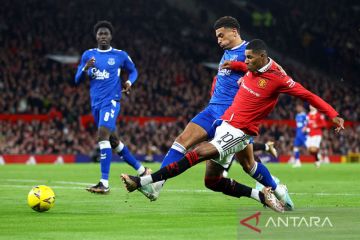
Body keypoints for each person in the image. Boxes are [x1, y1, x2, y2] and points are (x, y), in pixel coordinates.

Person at [121, 39, 344, 211]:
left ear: (263, 57)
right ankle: (262, 195)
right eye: (244, 59)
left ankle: (143, 181)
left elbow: (308, 95)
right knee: (213, 181)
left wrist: (333, 114)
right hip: (225, 125)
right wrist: (235, 64)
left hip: (241, 132)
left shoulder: (278, 79)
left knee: (197, 153)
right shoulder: (250, 68)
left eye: (249, 59)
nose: (245, 62)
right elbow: (244, 66)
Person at [138, 16, 278, 201]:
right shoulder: (226, 53)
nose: (219, 41)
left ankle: (277, 190)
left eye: (221, 36)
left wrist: (246, 75)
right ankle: (157, 185)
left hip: (232, 116)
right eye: (217, 37)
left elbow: (267, 73)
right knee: (182, 140)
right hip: (212, 109)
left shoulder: (249, 52)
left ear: (234, 32)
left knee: (248, 165)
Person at [75, 20, 150, 194]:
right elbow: (76, 80)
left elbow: (134, 71)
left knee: (102, 135)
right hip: (96, 104)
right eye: (100, 33)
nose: (103, 36)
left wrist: (130, 82)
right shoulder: (88, 55)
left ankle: (104, 183)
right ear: (96, 36)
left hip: (112, 101)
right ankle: (142, 171)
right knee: (114, 142)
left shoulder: (120, 55)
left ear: (110, 36)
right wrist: (85, 68)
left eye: (106, 33)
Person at [292, 103, 309, 167]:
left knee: (309, 147)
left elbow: (308, 123)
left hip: (303, 134)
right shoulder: (297, 115)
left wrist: (305, 128)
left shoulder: (305, 115)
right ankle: (297, 161)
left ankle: (318, 158)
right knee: (295, 147)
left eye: (298, 107)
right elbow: (298, 125)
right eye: (296, 107)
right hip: (298, 134)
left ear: (301, 108)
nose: (297, 108)